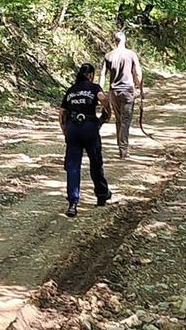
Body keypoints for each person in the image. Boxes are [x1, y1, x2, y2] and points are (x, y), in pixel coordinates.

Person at [59, 63, 113, 217]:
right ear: (90, 75)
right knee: (95, 162)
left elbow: (62, 112)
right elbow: (103, 99)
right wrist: (107, 113)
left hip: (73, 129)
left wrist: (65, 130)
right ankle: (102, 195)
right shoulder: (94, 88)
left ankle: (73, 203)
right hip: (89, 127)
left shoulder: (71, 90)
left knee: (73, 166)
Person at [101, 31, 143, 159]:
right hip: (127, 91)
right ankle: (123, 149)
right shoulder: (131, 54)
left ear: (115, 41)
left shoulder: (108, 56)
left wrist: (99, 91)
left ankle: (121, 146)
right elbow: (137, 74)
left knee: (119, 120)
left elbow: (102, 74)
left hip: (113, 92)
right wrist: (140, 89)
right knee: (125, 120)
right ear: (124, 40)